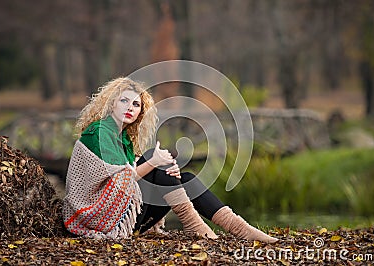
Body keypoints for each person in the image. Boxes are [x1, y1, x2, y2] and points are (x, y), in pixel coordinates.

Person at [63, 77, 278, 243]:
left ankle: (238, 227)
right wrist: (155, 162)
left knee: (184, 177)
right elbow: (122, 181)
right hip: (101, 219)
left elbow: (131, 173)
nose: (130, 107)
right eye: (124, 101)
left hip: (121, 214)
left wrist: (164, 165)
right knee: (153, 161)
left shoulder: (123, 138)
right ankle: (199, 227)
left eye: (136, 105)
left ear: (140, 113)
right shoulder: (99, 131)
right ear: (111, 104)